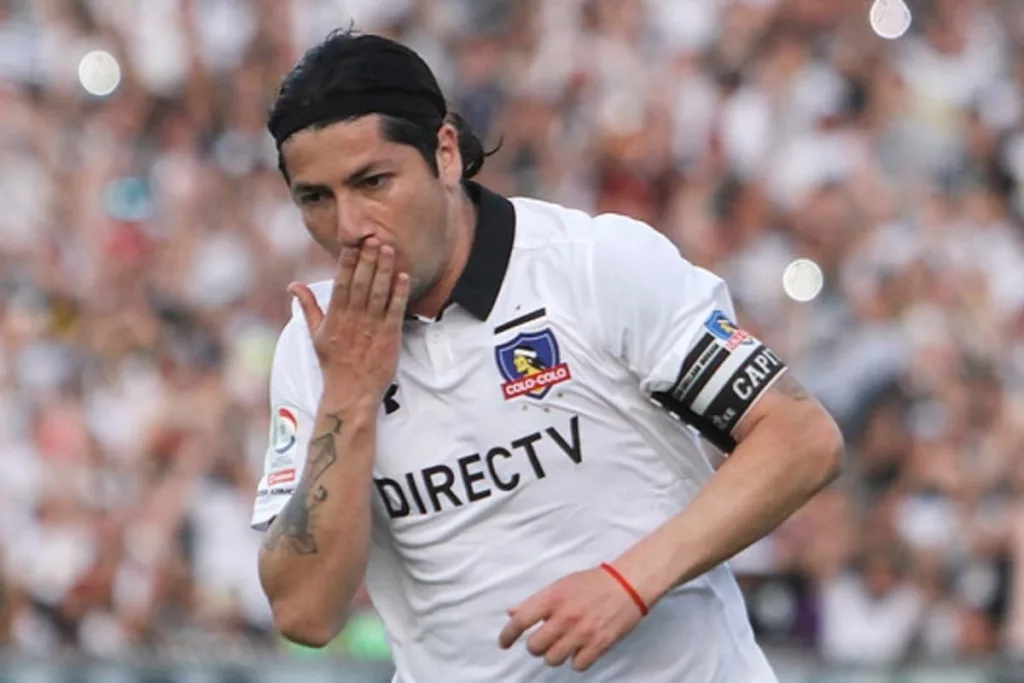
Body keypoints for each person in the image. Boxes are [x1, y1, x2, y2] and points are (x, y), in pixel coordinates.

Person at [251, 29, 845, 683]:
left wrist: (630, 581)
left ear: (445, 152)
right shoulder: (314, 349)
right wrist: (350, 396)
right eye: (315, 197)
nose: (350, 226)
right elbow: (305, 612)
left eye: (374, 181)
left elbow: (801, 437)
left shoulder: (592, 266)